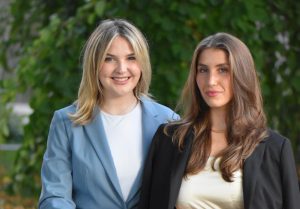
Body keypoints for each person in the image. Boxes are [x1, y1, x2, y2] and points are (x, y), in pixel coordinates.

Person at [138, 32, 300, 209]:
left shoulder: (275, 149)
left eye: (223, 70)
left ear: (242, 75)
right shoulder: (169, 139)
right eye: (203, 70)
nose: (211, 81)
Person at [38, 19, 179, 209]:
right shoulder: (66, 122)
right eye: (109, 58)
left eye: (131, 58)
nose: (122, 69)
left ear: (142, 63)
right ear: (94, 64)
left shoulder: (169, 122)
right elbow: (55, 195)